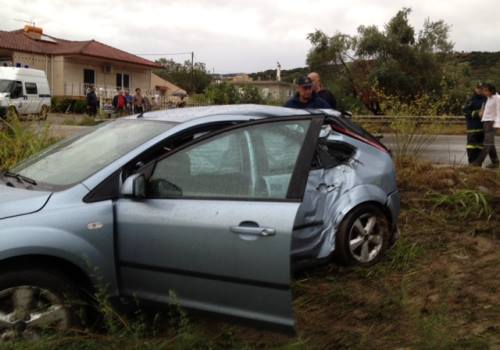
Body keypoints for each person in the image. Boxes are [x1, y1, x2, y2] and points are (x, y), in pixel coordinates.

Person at [472, 83, 499, 168]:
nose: (484, 92)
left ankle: (477, 162)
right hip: (486, 122)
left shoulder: (497, 98)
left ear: (491, 90)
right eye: (484, 90)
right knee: (490, 143)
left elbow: (499, 112)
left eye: (486, 90)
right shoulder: (488, 98)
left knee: (487, 144)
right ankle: (495, 162)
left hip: (492, 123)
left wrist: (498, 124)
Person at [463, 83, 486, 164]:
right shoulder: (471, 99)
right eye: (478, 88)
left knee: (480, 149)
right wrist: (477, 113)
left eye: (481, 88)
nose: (480, 90)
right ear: (475, 89)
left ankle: (478, 167)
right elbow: (465, 111)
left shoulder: (486, 99)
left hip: (482, 129)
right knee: (472, 148)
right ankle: (471, 165)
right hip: (472, 128)